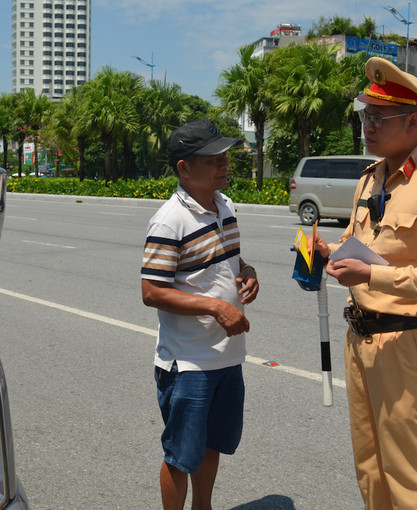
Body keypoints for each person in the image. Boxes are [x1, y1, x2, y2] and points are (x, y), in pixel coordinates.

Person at [313, 57, 417, 510]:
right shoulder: (372, 177)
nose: (367, 125)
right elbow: (356, 242)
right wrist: (330, 253)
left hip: (407, 343)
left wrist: (374, 275)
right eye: (365, 114)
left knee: (412, 472)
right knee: (370, 465)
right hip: (360, 337)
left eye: (378, 118)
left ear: (412, 121)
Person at [141, 119, 259, 510]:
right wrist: (215, 305)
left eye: (225, 156)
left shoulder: (225, 206)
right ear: (184, 169)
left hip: (226, 356)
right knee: (181, 455)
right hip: (189, 361)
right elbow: (151, 291)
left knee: (213, 443)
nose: (224, 164)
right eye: (213, 159)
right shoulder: (170, 219)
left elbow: (230, 261)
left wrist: (249, 275)